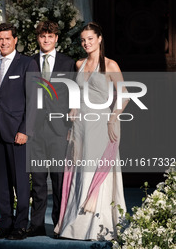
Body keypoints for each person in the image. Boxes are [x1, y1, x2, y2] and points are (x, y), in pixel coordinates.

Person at [54, 22, 128, 241]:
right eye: (83, 40)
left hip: (101, 123)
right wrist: (73, 109)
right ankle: (75, 224)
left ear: (100, 39)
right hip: (80, 125)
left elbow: (124, 95)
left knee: (94, 168)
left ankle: (95, 225)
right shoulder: (79, 64)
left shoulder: (110, 65)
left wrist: (113, 117)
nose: (86, 43)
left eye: (90, 39)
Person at [0, 23, 39, 240]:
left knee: (21, 183)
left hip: (18, 134)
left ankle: (20, 226)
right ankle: (4, 223)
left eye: (7, 38)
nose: (3, 42)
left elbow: (34, 101)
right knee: (1, 184)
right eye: (0, 39)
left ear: (15, 40)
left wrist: (25, 129)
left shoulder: (27, 64)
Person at [27, 20, 75, 237]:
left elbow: (75, 95)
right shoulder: (29, 63)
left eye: (50, 36)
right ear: (38, 38)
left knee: (57, 180)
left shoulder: (68, 63)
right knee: (37, 181)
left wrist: (70, 126)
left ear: (56, 38)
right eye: (42, 36)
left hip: (59, 129)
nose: (46, 40)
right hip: (35, 130)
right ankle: (36, 225)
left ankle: (58, 223)